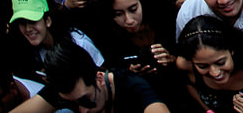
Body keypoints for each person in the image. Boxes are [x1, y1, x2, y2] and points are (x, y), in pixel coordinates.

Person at [12, 39, 170, 113]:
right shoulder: (67, 88)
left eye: (86, 100)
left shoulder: (132, 86)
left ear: (99, 78)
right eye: (73, 103)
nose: (83, 110)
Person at [176, 15, 243, 113]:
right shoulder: (185, 65)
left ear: (231, 50)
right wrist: (208, 110)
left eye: (220, 62)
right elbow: (191, 86)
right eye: (202, 66)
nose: (215, 73)